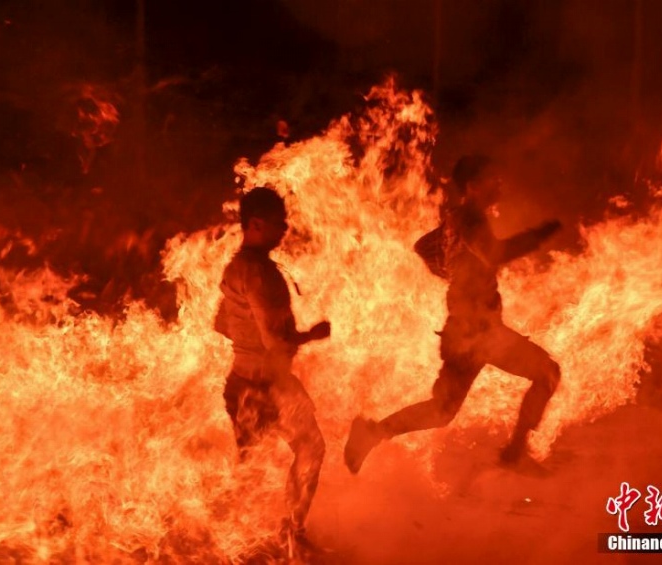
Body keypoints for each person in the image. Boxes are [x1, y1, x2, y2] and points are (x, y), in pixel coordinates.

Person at [344, 155, 562, 473]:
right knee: (547, 373)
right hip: (478, 330)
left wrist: (455, 274)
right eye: (491, 179)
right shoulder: (470, 219)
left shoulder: (457, 219)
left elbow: (423, 247)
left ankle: (373, 432)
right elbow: (494, 253)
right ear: (472, 187)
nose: (498, 184)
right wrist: (539, 235)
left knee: (442, 410)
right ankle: (515, 454)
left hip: (468, 329)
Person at [214, 187, 331, 556]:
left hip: (240, 385)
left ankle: (242, 546)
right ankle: (291, 532)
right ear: (256, 224)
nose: (286, 228)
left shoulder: (234, 268)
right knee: (311, 448)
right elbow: (275, 342)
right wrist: (311, 335)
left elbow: (220, 324)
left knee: (249, 472)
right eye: (280, 222)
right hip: (267, 388)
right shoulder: (261, 273)